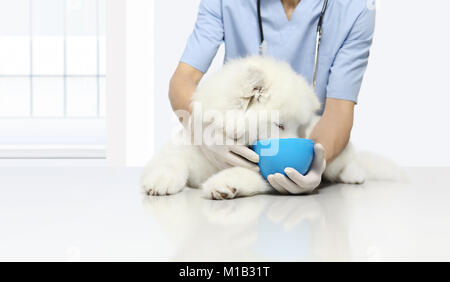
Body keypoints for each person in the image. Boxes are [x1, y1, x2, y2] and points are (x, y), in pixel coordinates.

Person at [168, 0, 376, 194]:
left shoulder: (355, 8)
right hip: (235, 142)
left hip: (306, 140)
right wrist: (206, 132)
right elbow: (182, 81)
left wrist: (318, 163)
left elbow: (339, 109)